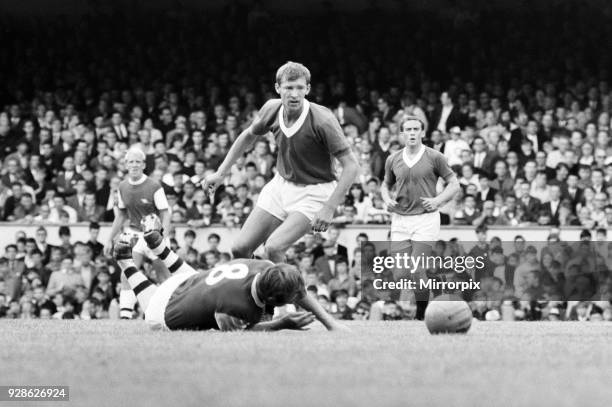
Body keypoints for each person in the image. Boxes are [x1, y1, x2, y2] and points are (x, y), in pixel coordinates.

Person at [204, 61, 359, 262]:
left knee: (274, 249)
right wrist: (220, 173)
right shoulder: (271, 109)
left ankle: (292, 294)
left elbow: (351, 165)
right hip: (281, 185)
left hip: (315, 193)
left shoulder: (323, 119)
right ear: (278, 88)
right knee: (240, 249)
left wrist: (329, 207)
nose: (294, 94)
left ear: (308, 89)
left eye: (300, 88)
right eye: (288, 88)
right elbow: (248, 136)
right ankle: (258, 291)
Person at [113, 214, 346, 332]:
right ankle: (126, 262)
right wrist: (281, 323)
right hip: (165, 310)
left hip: (191, 280)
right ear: (272, 300)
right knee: (153, 313)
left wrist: (329, 323)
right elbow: (240, 331)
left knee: (195, 276)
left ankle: (159, 247)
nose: (298, 298)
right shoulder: (237, 309)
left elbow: (293, 286)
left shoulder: (264, 266)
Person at [381, 115, 460, 319]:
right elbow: (385, 185)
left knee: (416, 269)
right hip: (400, 220)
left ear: (423, 133)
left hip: (426, 219)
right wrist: (386, 199)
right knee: (400, 274)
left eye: (416, 129)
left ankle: (421, 312)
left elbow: (454, 184)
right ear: (402, 133)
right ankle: (431, 284)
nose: (412, 133)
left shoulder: (435, 157)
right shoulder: (392, 158)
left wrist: (438, 201)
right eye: (408, 129)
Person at [103, 147, 171, 319]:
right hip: (134, 234)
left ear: (143, 165)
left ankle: (168, 315)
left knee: (164, 278)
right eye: (131, 161)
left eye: (138, 162)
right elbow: (121, 215)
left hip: (154, 235)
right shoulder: (122, 186)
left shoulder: (154, 186)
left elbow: (165, 212)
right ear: (126, 164)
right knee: (127, 274)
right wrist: (109, 239)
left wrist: (162, 236)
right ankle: (125, 317)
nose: (134, 165)